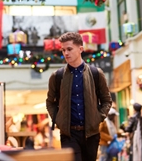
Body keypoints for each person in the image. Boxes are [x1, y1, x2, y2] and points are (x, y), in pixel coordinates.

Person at [46, 32, 112, 161]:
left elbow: (106, 100)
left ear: (80, 49)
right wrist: (58, 120)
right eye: (63, 50)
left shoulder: (95, 74)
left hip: (91, 134)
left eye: (69, 49)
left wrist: (98, 118)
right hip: (68, 135)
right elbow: (50, 102)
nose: (66, 53)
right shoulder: (57, 76)